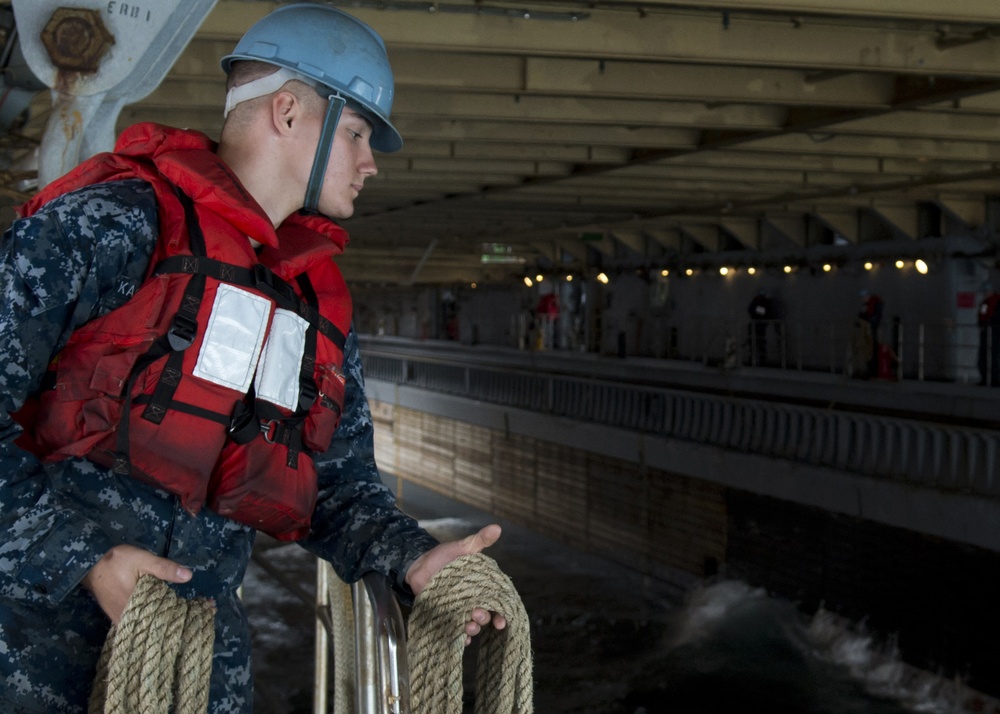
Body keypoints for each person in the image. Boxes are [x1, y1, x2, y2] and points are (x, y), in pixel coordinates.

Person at [0, 5, 504, 712]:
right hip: (31, 646)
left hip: (201, 665)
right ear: (290, 112)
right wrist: (85, 561)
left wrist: (413, 556)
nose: (370, 163)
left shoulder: (310, 301)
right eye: (357, 132)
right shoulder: (112, 226)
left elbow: (336, 484)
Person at [857, 289, 884, 379]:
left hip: (871, 331)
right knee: (870, 351)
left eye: (863, 297)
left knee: (871, 351)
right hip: (869, 330)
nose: (862, 299)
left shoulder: (872, 305)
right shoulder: (871, 305)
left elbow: (869, 318)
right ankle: (871, 371)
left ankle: (872, 371)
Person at [977, 282, 1000, 386]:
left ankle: (994, 379)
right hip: (986, 333)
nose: (985, 293)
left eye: (987, 291)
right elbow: (981, 316)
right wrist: (983, 324)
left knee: (994, 356)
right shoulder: (985, 303)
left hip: (995, 333)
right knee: (984, 356)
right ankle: (985, 378)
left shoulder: (997, 301)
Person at [746, 289, 773, 366]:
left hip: (761, 325)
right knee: (752, 341)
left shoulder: (767, 302)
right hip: (754, 324)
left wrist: (757, 310)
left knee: (761, 342)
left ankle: (762, 360)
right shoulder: (755, 301)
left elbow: (766, 312)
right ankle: (752, 358)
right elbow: (751, 309)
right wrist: (758, 310)